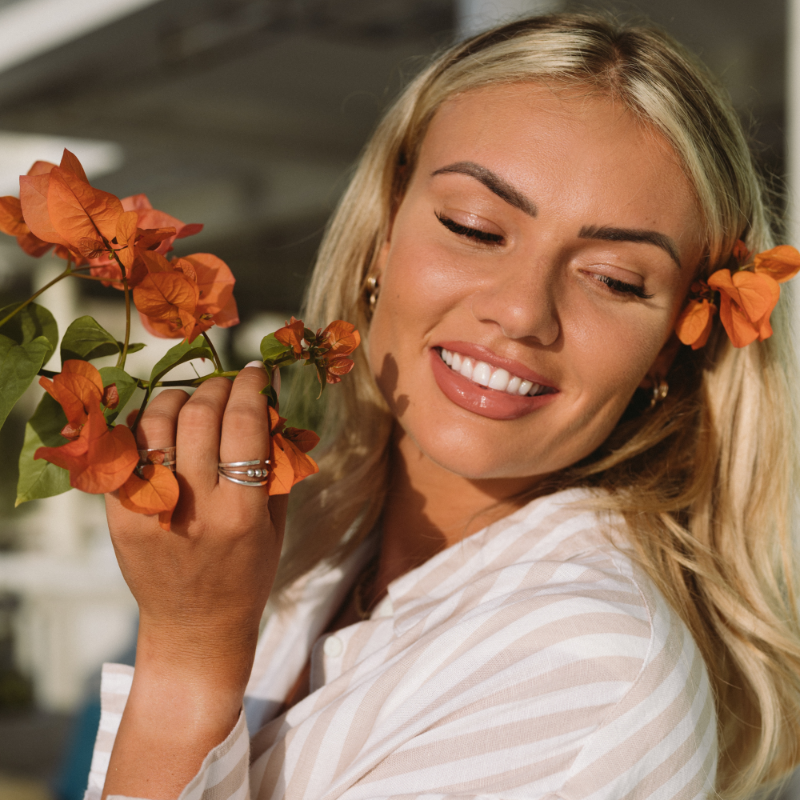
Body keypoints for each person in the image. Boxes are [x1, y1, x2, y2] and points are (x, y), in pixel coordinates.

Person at [87, 12, 800, 800]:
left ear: (669, 343)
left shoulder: (580, 672)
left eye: (615, 278)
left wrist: (190, 658)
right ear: (382, 235)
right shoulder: (314, 554)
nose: (523, 311)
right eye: (474, 228)